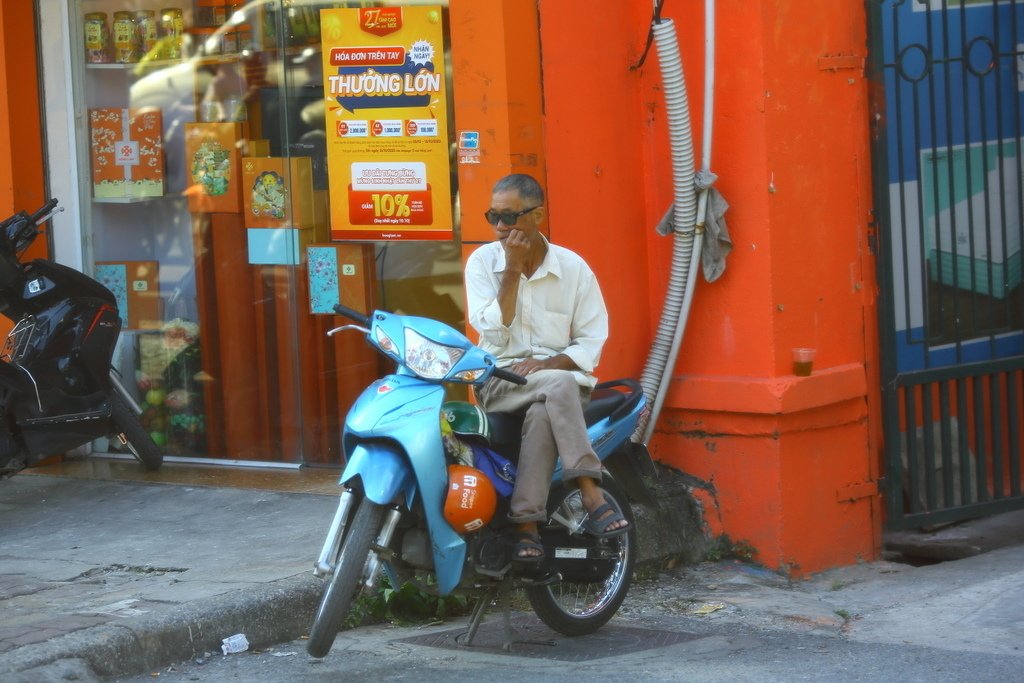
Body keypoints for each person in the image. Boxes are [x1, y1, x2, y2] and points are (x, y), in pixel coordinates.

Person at [465, 173, 629, 562]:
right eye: (493, 217)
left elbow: (592, 338)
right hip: (502, 382)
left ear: (537, 215)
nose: (501, 227)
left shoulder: (573, 268)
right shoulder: (483, 263)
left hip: (562, 384)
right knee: (554, 386)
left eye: (509, 217)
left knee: (547, 403)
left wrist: (547, 363)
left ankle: (525, 528)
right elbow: (493, 331)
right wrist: (511, 269)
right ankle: (591, 490)